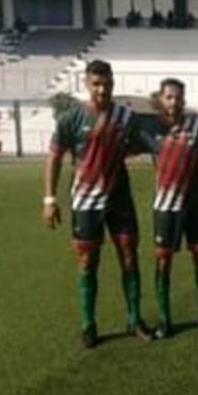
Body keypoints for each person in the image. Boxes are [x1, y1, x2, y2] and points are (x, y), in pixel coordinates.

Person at [42, 60, 151, 349]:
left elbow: (141, 144)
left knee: (129, 257)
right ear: (86, 84)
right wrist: (50, 199)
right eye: (96, 84)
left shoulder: (125, 116)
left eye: (107, 84)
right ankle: (88, 325)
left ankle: (134, 319)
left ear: (113, 83)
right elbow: (54, 157)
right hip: (85, 201)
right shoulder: (71, 117)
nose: (102, 90)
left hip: (120, 199)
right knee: (88, 261)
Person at [137, 79, 198, 338]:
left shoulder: (197, 126)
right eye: (169, 97)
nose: (174, 102)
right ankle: (164, 321)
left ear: (184, 100)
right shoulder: (148, 127)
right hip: (165, 207)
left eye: (178, 98)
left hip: (194, 204)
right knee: (164, 261)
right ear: (160, 99)